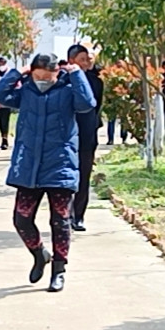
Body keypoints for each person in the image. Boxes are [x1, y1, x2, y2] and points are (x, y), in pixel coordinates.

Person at [0, 53, 97, 292]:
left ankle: (59, 270)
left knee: (60, 221)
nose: (42, 80)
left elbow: (87, 104)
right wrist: (16, 74)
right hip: (29, 166)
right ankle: (40, 253)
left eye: (47, 76)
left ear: (56, 73)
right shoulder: (26, 92)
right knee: (21, 219)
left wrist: (76, 74)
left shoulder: (67, 90)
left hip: (60, 165)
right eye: (37, 76)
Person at [66, 44, 105, 231]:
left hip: (87, 135)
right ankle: (63, 214)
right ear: (71, 60)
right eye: (82, 60)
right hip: (65, 136)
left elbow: (95, 107)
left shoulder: (96, 80)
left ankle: (78, 215)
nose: (86, 63)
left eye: (88, 59)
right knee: (64, 178)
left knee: (84, 176)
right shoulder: (62, 80)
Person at [0, 56, 14, 150]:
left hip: (7, 101)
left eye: (3, 62)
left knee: (5, 121)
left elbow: (16, 85)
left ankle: (5, 140)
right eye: (0, 62)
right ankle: (2, 135)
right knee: (0, 121)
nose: (2, 64)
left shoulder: (10, 73)